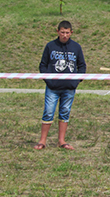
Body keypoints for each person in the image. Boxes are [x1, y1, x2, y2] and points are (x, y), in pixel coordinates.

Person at [34, 21, 86, 150]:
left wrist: (76, 81)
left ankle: (61, 141)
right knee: (48, 112)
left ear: (71, 33)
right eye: (62, 32)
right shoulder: (50, 46)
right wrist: (49, 81)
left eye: (67, 33)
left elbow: (82, 66)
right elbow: (43, 65)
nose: (65, 35)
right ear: (58, 32)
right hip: (53, 88)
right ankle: (42, 141)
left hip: (69, 88)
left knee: (65, 113)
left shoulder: (76, 47)